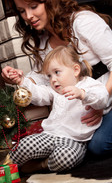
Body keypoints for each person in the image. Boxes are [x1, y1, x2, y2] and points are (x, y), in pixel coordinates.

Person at [1, 0, 112, 156]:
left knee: (98, 146)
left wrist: (99, 103)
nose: (28, 16)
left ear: (48, 0)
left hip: (107, 98)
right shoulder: (44, 44)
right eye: (22, 11)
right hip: (92, 107)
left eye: (33, 6)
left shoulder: (82, 22)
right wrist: (18, 79)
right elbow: (41, 84)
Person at [6, 45, 109, 173]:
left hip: (75, 140)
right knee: (24, 145)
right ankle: (4, 166)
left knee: (66, 157)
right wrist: (22, 81)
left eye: (57, 72)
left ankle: (40, 165)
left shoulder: (88, 85)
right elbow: (38, 94)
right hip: (50, 135)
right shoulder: (55, 91)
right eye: (49, 76)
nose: (53, 79)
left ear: (75, 70)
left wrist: (83, 94)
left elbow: (103, 98)